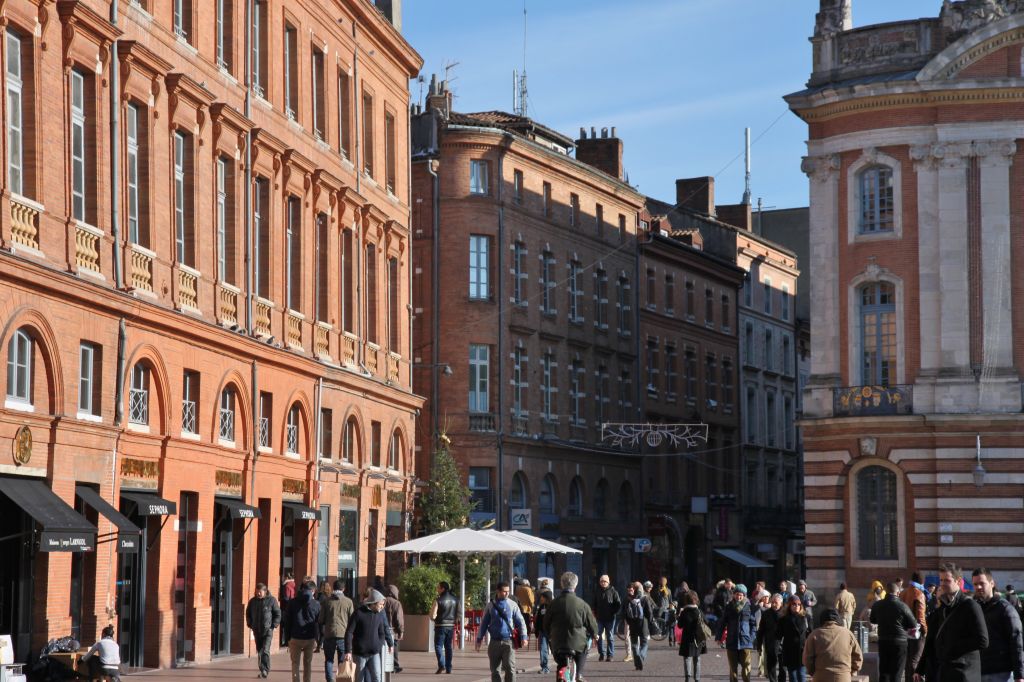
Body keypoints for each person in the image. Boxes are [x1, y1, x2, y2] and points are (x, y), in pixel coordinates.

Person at [915, 562, 989, 682]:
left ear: (958, 581)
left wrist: (952, 647)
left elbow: (983, 640)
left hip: (964, 673)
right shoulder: (942, 608)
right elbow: (931, 641)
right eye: (941, 580)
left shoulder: (970, 606)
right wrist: (920, 669)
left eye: (947, 580)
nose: (942, 584)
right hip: (943, 672)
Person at [971, 568, 1024, 682]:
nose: (978, 587)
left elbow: (1017, 641)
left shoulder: (1005, 608)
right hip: (979, 671)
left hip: (1001, 672)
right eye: (975, 584)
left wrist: (1019, 675)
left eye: (982, 583)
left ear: (992, 583)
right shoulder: (975, 608)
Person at [546, 571, 597, 682]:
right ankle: (579, 674)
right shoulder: (582, 604)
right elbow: (591, 623)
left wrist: (548, 634)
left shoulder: (553, 603)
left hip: (557, 641)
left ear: (561, 584)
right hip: (577, 642)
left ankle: (561, 672)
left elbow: (546, 623)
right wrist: (595, 634)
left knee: (561, 663)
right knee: (583, 651)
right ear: (576, 584)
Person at [475, 582, 528, 682]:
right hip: (494, 642)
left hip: (508, 641)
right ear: (498, 591)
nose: (507, 594)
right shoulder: (490, 606)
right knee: (495, 670)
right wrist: (479, 640)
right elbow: (483, 624)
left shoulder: (512, 605)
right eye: (504, 591)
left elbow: (521, 622)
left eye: (508, 591)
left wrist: (524, 637)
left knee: (510, 667)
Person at [871, 581, 918, 682]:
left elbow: (872, 619)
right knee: (897, 672)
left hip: (883, 640)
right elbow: (913, 624)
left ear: (886, 592)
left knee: (884, 671)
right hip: (899, 641)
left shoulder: (877, 605)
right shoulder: (903, 606)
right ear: (897, 593)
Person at [344, 589, 393, 682]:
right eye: (380, 604)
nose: (382, 607)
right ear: (373, 603)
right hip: (359, 654)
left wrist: (379, 645)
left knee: (377, 678)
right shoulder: (358, 613)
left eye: (383, 604)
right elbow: (349, 632)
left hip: (374, 653)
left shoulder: (379, 615)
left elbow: (382, 632)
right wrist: (348, 651)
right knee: (359, 679)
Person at [804, 609, 863, 682]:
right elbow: (858, 657)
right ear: (838, 620)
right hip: (843, 677)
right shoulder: (848, 633)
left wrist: (814, 672)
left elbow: (807, 659)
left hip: (821, 676)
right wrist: (850, 671)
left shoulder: (814, 635)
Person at [319, 579, 354, 682]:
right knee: (342, 661)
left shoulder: (326, 601)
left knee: (329, 659)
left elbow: (321, 619)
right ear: (343, 589)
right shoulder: (348, 602)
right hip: (344, 635)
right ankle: (341, 679)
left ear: (333, 588)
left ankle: (330, 679)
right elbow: (352, 620)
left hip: (329, 634)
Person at [287, 580, 321, 682]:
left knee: (295, 663)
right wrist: (318, 639)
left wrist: (287, 638)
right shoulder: (316, 604)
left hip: (295, 637)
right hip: (310, 637)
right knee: (308, 663)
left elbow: (287, 621)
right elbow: (318, 623)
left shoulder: (292, 602)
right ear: (313, 590)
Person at [722, 584, 757, 682]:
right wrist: (719, 636)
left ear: (744, 595)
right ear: (734, 595)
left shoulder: (749, 606)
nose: (739, 596)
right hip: (732, 640)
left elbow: (753, 624)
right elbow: (723, 621)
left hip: (745, 640)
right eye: (737, 594)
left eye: (741, 594)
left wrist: (752, 636)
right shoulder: (729, 606)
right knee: (733, 669)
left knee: (746, 667)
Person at [246, 582, 282, 679]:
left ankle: (266, 669)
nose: (258, 594)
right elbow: (248, 613)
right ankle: (262, 669)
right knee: (260, 651)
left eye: (260, 592)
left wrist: (273, 626)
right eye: (256, 592)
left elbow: (278, 614)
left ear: (265, 592)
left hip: (268, 630)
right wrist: (250, 624)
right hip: (257, 630)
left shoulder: (272, 601)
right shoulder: (252, 601)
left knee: (265, 650)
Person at [901, 573, 929, 682]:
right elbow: (920, 616)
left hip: (906, 630)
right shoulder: (919, 594)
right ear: (921, 582)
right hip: (917, 631)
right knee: (916, 659)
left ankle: (908, 679)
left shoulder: (903, 592)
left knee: (909, 659)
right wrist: (925, 631)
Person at [624, 581, 656, 671]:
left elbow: (624, 612)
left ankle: (637, 664)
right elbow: (649, 613)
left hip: (633, 625)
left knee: (634, 644)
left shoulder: (628, 599)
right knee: (644, 643)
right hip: (643, 624)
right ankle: (641, 657)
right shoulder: (645, 598)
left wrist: (629, 622)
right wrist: (650, 622)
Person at [679, 590, 708, 682]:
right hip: (698, 638)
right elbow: (706, 622)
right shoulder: (699, 611)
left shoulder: (684, 612)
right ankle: (697, 678)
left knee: (687, 658)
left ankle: (687, 677)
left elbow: (680, 625)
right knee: (697, 658)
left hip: (687, 638)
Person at [430, 581, 458, 675]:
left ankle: (442, 664)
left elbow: (432, 615)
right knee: (448, 647)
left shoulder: (438, 600)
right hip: (450, 626)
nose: (437, 589)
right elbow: (458, 613)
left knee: (438, 646)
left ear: (442, 589)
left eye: (438, 587)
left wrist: (434, 619)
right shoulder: (455, 600)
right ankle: (448, 668)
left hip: (440, 626)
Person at [757, 594, 786, 682]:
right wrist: (759, 644)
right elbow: (761, 630)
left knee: (783, 667)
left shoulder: (785, 613)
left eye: (776, 603)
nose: (773, 604)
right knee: (771, 665)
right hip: (770, 642)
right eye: (772, 602)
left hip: (783, 643)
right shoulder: (766, 613)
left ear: (781, 603)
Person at [780, 595, 809, 682]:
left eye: (798, 604)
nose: (797, 606)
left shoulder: (806, 618)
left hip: (802, 650)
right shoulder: (784, 619)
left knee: (801, 675)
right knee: (793, 677)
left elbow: (810, 634)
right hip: (789, 650)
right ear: (789, 605)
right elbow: (778, 635)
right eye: (794, 604)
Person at [593, 574, 621, 662]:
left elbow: (618, 604)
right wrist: (594, 613)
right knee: (599, 636)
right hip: (600, 618)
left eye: (605, 581)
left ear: (608, 582)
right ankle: (601, 653)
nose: (603, 583)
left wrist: (613, 612)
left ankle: (610, 655)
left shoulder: (613, 591)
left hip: (610, 618)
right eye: (601, 581)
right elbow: (594, 603)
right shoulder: (597, 591)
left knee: (610, 636)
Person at [382, 585, 404, 674]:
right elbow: (399, 619)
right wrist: (401, 631)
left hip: (382, 629)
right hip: (393, 631)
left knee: (383, 648)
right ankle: (395, 666)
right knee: (394, 647)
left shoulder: (382, 601)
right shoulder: (397, 603)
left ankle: (383, 664)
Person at [534, 587, 552, 674]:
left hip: (552, 632)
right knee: (543, 649)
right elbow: (538, 619)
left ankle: (562, 664)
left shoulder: (553, 607)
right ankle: (545, 667)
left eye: (543, 597)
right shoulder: (541, 607)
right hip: (543, 631)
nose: (541, 598)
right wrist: (537, 629)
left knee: (556, 650)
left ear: (546, 598)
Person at [281, 571, 297, 645]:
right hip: (293, 607)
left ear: (286, 577)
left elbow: (286, 597)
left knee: (285, 625)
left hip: (286, 608)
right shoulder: (294, 584)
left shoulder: (287, 585)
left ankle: (286, 641)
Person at [315, 581, 331, 653]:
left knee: (321, 632)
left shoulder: (321, 595)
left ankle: (319, 646)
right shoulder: (329, 595)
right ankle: (320, 646)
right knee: (323, 632)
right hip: (327, 615)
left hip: (320, 615)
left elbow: (318, 605)